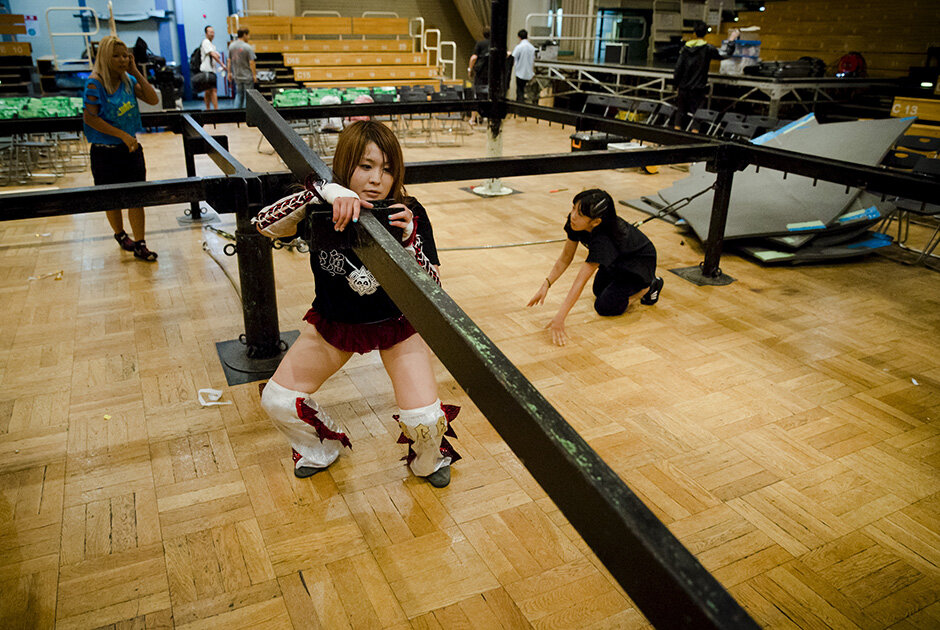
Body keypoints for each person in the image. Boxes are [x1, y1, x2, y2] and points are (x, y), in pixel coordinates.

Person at [253, 121, 459, 488]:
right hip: (336, 324)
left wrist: (411, 240)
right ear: (346, 164)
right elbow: (264, 225)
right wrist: (323, 192)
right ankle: (321, 448)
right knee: (278, 400)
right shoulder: (319, 206)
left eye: (388, 169)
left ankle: (427, 460)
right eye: (366, 166)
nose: (378, 179)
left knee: (426, 423)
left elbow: (435, 287)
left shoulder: (408, 210)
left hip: (398, 324)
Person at [527, 189, 663, 346]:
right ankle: (633, 285)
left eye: (580, 214)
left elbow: (580, 281)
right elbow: (565, 258)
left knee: (604, 307)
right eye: (573, 208)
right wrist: (546, 284)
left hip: (637, 266)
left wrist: (560, 317)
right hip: (616, 261)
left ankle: (649, 286)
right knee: (598, 291)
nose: (573, 216)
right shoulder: (575, 223)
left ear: (596, 222)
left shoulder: (604, 241)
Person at [82, 34, 160, 261]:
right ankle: (120, 234)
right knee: (112, 198)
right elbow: (91, 118)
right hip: (105, 151)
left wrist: (135, 71)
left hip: (130, 149)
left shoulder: (128, 80)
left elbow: (153, 100)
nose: (122, 60)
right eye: (116, 56)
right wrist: (121, 136)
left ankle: (140, 243)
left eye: (125, 55)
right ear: (106, 57)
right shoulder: (95, 83)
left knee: (137, 197)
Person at [673, 22, 739, 129]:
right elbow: (725, 54)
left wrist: (675, 85)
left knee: (680, 113)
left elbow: (678, 69)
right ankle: (694, 136)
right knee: (697, 115)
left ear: (694, 33)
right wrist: (731, 40)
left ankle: (675, 135)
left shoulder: (685, 49)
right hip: (698, 88)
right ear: (705, 33)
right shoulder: (707, 49)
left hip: (683, 87)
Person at [227, 28, 256, 109]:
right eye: (248, 35)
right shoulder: (247, 47)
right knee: (248, 97)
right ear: (244, 35)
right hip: (247, 75)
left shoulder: (231, 46)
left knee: (239, 95)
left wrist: (229, 73)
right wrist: (254, 75)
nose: (249, 37)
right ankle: (246, 115)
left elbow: (229, 60)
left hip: (237, 75)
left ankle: (237, 115)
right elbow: (251, 62)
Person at [467, 26, 490, 124]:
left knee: (476, 95)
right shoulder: (495, 44)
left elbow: (473, 58)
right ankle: (486, 117)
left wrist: (470, 69)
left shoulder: (480, 44)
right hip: (491, 75)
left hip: (481, 74)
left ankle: (473, 119)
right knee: (488, 95)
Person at [199, 25, 224, 110]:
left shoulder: (212, 45)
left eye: (213, 32)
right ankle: (215, 109)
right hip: (206, 70)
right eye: (210, 32)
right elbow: (213, 54)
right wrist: (222, 64)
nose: (212, 34)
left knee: (208, 90)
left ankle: (208, 109)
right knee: (213, 90)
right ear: (206, 33)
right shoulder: (205, 42)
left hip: (211, 70)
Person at [511, 29, 536, 103]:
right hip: (529, 73)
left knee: (520, 91)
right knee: (528, 91)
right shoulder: (532, 47)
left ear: (519, 37)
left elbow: (513, 57)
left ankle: (519, 109)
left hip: (520, 73)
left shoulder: (519, 47)